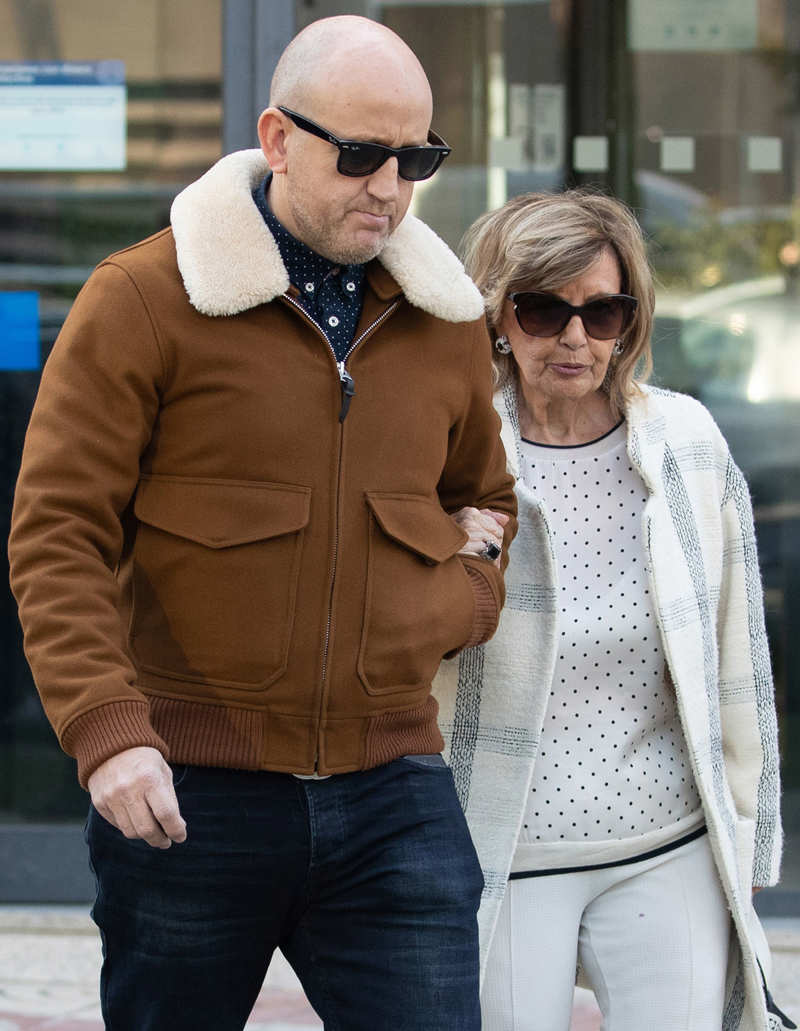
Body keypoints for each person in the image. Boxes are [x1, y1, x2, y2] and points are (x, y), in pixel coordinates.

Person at [7, 16, 516, 1031]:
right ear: (278, 138)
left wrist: (447, 601)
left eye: (414, 157)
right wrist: (109, 735)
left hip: (392, 788)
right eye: (361, 154)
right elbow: (59, 530)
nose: (389, 184)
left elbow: (486, 502)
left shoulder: (444, 320)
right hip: (189, 789)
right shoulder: (143, 298)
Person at [433, 190, 789, 1031]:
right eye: (544, 309)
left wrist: (751, 830)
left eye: (603, 312)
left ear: (632, 319)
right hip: (507, 851)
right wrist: (446, 552)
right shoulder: (453, 455)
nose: (574, 338)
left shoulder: (687, 444)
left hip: (667, 841)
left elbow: (739, 656)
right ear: (496, 314)